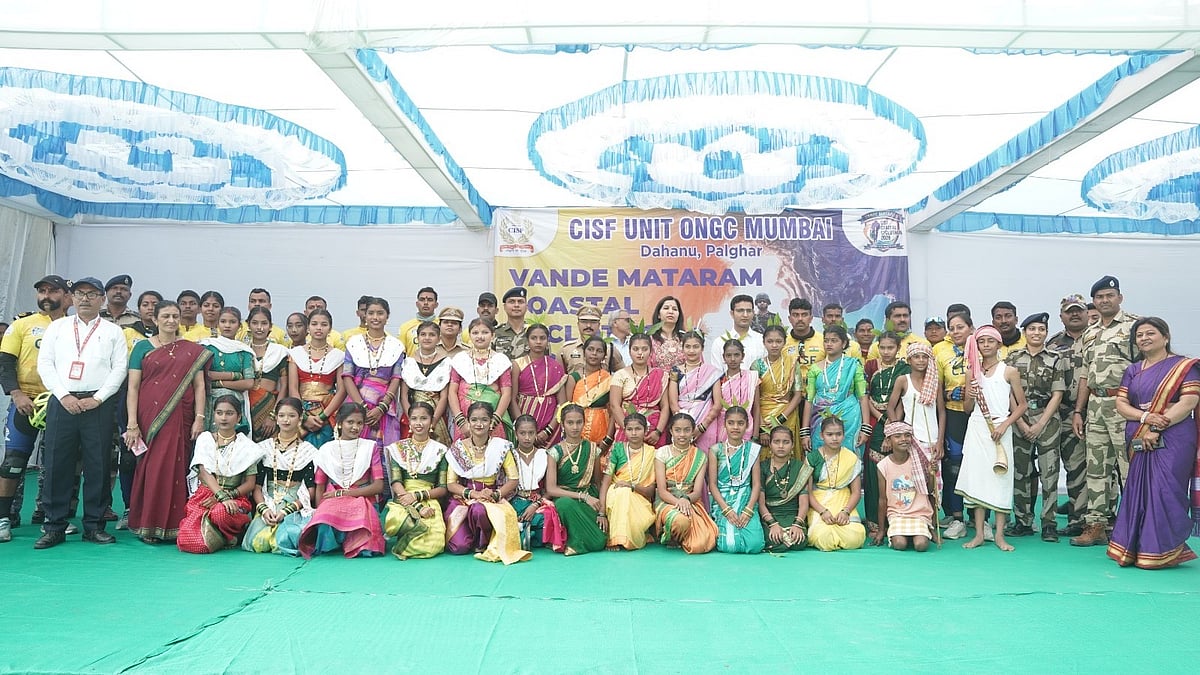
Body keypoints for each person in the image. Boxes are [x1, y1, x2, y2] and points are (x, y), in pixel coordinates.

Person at [34, 277, 128, 549]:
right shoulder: (57, 328)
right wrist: (63, 395)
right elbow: (46, 364)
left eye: (91, 294)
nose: (84, 299)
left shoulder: (112, 331)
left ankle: (94, 526)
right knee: (56, 464)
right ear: (71, 298)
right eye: (79, 294)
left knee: (98, 465)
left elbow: (119, 369)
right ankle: (54, 526)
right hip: (62, 402)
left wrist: (98, 399)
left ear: (101, 299)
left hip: (97, 404)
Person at [1108, 317, 1199, 569]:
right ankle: (1136, 549)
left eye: (1150, 333)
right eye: (1139, 335)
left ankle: (1164, 551)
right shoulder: (1133, 370)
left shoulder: (1183, 366)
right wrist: (1146, 418)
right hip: (1139, 435)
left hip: (1175, 436)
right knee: (1138, 491)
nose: (1144, 338)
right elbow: (1121, 405)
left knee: (1165, 490)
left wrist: (1157, 426)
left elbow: (1188, 403)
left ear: (1165, 337)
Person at [124, 301, 210, 544]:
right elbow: (133, 387)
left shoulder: (191, 350)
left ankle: (175, 524)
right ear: (155, 319)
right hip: (149, 416)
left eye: (175, 316)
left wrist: (199, 418)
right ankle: (149, 524)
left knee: (176, 467)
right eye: (166, 316)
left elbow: (199, 386)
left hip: (181, 416)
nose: (171, 320)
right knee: (151, 467)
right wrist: (132, 423)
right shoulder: (142, 347)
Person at [1071, 275, 1140, 547]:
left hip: (1124, 406)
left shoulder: (1135, 326)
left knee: (1128, 468)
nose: (1104, 300)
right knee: (1096, 469)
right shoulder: (1090, 331)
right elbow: (1085, 374)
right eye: (1099, 297)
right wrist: (1079, 410)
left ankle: (1133, 526)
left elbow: (1145, 366)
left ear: (1119, 298)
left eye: (1109, 296)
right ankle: (1096, 525)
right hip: (1096, 406)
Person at [0, 275, 68, 543]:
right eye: (42, 291)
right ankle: (4, 518)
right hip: (25, 402)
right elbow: (5, 363)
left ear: (67, 295)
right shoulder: (21, 325)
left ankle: (51, 519)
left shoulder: (74, 327)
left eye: (53, 290)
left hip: (60, 403)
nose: (46, 295)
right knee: (14, 463)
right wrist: (16, 394)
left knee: (55, 465)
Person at [957, 325, 1027, 552]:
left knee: (1000, 480)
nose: (986, 345)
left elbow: (1022, 405)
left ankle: (999, 535)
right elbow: (967, 408)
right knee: (978, 480)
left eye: (990, 341)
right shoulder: (971, 373)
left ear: (999, 344)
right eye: (981, 342)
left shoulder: (1009, 371)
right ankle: (978, 534)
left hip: (1000, 429)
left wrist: (1005, 425)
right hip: (977, 427)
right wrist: (969, 395)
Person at [1004, 312, 1068, 541]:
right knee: (1021, 473)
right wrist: (1019, 421)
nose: (1036, 333)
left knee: (1049, 474)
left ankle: (1049, 523)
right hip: (1019, 419)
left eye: (1041, 329)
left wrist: (1041, 423)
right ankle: (1023, 521)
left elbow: (1058, 393)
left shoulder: (1055, 358)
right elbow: (1008, 392)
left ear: (1046, 333)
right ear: (1025, 332)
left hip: (1047, 420)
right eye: (1032, 329)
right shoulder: (1012, 358)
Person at [443, 401, 530, 564]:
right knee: (458, 547)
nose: (479, 424)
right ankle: (474, 538)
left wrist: (495, 494)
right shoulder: (458, 448)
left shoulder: (501, 447)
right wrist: (473, 494)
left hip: (492, 498)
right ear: (468, 422)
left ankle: (484, 541)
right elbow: (451, 484)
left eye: (484, 420)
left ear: (491, 422)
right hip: (464, 498)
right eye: (474, 420)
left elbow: (513, 479)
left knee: (479, 510)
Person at [298, 403, 386, 558]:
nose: (355, 427)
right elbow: (320, 485)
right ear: (339, 423)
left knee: (366, 545)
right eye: (350, 422)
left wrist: (345, 493)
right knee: (325, 519)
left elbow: (378, 486)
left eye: (359, 423)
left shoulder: (370, 447)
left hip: (362, 497)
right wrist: (319, 511)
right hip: (333, 498)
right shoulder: (327, 449)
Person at [176, 395, 262, 553]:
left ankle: (233, 533)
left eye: (229, 413)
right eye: (219, 413)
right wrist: (219, 496)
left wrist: (225, 497)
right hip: (206, 494)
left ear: (239, 417)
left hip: (235, 497)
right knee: (187, 542)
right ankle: (227, 539)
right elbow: (203, 472)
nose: (224, 418)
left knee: (220, 513)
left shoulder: (248, 448)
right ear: (213, 415)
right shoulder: (205, 439)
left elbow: (250, 483)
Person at [242, 398, 318, 556]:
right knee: (257, 543)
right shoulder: (263, 449)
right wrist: (263, 509)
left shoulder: (308, 451)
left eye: (291, 415)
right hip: (268, 500)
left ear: (300, 418)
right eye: (282, 415)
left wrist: (287, 510)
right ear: (276, 418)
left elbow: (310, 490)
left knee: (285, 541)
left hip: (295, 503)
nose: (286, 420)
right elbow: (256, 487)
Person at [1047, 294, 1090, 537]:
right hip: (1059, 412)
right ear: (1061, 316)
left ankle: (1083, 519)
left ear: (1086, 313)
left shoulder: (1096, 339)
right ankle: (1073, 519)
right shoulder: (1052, 344)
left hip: (1090, 411)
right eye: (1069, 311)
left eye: (1079, 311)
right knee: (1068, 465)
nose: (1074, 314)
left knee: (1085, 468)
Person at [382, 401, 448, 560]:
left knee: (435, 544)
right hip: (403, 497)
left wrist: (418, 497)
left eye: (424, 418)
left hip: (429, 497)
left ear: (431, 421)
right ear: (409, 421)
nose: (419, 423)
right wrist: (415, 504)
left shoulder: (440, 450)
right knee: (396, 519)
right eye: (414, 418)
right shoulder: (398, 449)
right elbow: (396, 482)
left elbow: (443, 488)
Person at [544, 404, 608, 555]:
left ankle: (578, 541)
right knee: (565, 505)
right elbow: (551, 489)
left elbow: (598, 483)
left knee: (600, 540)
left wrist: (602, 512)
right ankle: (576, 544)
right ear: (563, 425)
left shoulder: (593, 449)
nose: (575, 427)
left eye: (579, 422)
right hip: (566, 498)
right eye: (570, 423)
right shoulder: (554, 452)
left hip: (589, 498)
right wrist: (582, 496)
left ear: (584, 423)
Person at [342, 297, 404, 449]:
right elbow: (347, 377)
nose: (375, 317)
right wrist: (362, 407)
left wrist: (381, 408)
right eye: (371, 313)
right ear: (365, 315)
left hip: (383, 407)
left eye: (380, 313)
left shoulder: (396, 346)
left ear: (387, 316)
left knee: (382, 451)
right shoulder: (354, 343)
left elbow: (396, 379)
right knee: (352, 450)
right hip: (355, 405)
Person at [801, 325, 869, 460]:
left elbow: (863, 397)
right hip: (820, 419)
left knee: (849, 460)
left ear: (843, 343)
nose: (829, 344)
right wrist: (805, 433)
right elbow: (809, 400)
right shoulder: (814, 368)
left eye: (834, 340)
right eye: (826, 340)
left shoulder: (854, 365)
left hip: (850, 418)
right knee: (822, 460)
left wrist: (865, 428)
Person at [863, 332, 910, 529]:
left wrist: (892, 426)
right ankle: (875, 521)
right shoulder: (871, 366)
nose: (886, 351)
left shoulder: (904, 369)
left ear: (898, 348)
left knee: (896, 472)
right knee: (874, 471)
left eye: (890, 348)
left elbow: (901, 400)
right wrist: (881, 419)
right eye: (882, 347)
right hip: (875, 420)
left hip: (898, 419)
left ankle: (898, 518)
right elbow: (866, 396)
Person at [654, 413, 717, 554]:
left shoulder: (700, 456)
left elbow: (697, 491)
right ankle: (671, 536)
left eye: (687, 430)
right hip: (667, 500)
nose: (682, 434)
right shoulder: (662, 453)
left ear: (693, 431)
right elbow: (662, 491)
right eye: (677, 430)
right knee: (680, 521)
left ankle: (683, 536)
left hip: (691, 502)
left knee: (701, 544)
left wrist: (686, 500)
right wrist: (679, 502)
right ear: (671, 431)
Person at [936, 312, 973, 538]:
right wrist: (951, 393)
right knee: (954, 468)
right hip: (953, 415)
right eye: (952, 328)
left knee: (980, 466)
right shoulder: (942, 353)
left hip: (979, 417)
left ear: (971, 327)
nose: (956, 331)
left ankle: (981, 519)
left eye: (961, 327)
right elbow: (937, 389)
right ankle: (957, 518)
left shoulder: (982, 349)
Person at [872, 421, 936, 552]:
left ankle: (923, 532)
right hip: (897, 514)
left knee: (921, 545)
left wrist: (931, 475)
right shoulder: (883, 465)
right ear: (889, 440)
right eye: (898, 436)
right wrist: (880, 531)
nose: (903, 439)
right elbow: (882, 500)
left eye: (907, 435)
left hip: (919, 513)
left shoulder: (920, 461)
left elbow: (929, 492)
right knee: (899, 544)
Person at [708, 406, 765, 553]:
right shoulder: (715, 450)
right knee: (729, 545)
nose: (735, 427)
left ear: (747, 425)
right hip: (723, 501)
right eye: (731, 423)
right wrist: (726, 510)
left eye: (740, 423)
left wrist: (748, 510)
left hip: (746, 499)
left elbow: (757, 484)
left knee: (756, 545)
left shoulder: (753, 450)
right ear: (724, 424)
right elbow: (712, 485)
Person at [806, 416, 867, 551]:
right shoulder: (812, 458)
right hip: (819, 502)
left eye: (838, 434)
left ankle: (838, 534)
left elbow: (856, 492)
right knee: (822, 537)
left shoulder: (851, 458)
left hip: (844, 500)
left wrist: (846, 511)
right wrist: (822, 511)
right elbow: (807, 492)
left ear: (844, 435)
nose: (834, 438)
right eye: (830, 434)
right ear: (822, 436)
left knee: (856, 537)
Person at [287, 308, 345, 447]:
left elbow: (342, 391)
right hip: (301, 412)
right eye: (314, 324)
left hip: (327, 413)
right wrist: (305, 417)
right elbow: (293, 388)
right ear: (308, 327)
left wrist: (323, 416)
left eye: (324, 324)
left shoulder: (339, 356)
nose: (319, 328)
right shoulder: (296, 354)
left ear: (330, 328)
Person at [599, 413, 657, 550]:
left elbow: (650, 491)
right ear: (624, 431)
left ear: (645, 430)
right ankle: (617, 539)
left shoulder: (652, 453)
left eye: (638, 429)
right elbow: (606, 482)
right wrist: (601, 512)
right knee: (622, 493)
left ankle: (623, 537)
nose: (634, 433)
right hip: (616, 493)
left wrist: (632, 486)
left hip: (640, 496)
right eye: (630, 429)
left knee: (626, 492)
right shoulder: (618, 449)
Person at [449, 319, 513, 441]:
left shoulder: (501, 360)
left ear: (493, 335)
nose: (480, 336)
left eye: (485, 332)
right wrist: (460, 421)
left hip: (493, 420)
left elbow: (506, 393)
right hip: (465, 420)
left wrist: (494, 420)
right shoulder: (460, 359)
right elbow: (452, 391)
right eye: (475, 333)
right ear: (469, 335)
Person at [509, 415, 563, 550]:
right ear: (516, 434)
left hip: (537, 501)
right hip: (513, 501)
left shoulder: (545, 455)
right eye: (522, 433)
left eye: (531, 433)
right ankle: (526, 532)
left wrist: (535, 505)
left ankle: (526, 533)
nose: (527, 437)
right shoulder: (509, 455)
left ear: (536, 433)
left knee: (548, 516)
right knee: (507, 516)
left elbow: (550, 488)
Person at [201, 307, 255, 436]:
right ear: (217, 324)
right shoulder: (207, 347)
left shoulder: (244, 351)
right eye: (223, 321)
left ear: (239, 326)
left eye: (232, 322)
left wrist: (218, 382)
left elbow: (248, 383)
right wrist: (234, 376)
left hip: (235, 404)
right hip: (210, 403)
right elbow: (204, 375)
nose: (227, 325)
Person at [511, 324, 568, 446]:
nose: (538, 342)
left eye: (542, 338)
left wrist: (548, 430)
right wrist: (522, 427)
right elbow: (512, 399)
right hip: (523, 422)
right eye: (534, 338)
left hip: (551, 426)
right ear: (527, 341)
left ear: (547, 341)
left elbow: (562, 403)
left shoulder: (555, 366)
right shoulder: (518, 364)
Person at [609, 333, 669, 446]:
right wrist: (630, 431)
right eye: (635, 349)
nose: (640, 353)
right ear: (629, 351)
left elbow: (665, 406)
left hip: (653, 430)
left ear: (651, 351)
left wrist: (658, 431)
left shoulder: (660, 375)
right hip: (627, 427)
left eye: (644, 349)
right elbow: (614, 405)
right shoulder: (620, 375)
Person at [758, 426, 811, 552]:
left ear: (792, 445)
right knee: (771, 538)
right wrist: (772, 524)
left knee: (800, 540)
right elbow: (760, 503)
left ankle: (787, 537)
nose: (781, 446)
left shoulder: (800, 468)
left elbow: (804, 502)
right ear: (770, 444)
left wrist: (797, 524)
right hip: (770, 516)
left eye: (786, 442)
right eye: (776, 442)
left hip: (792, 516)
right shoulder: (762, 468)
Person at [667, 331, 722, 451]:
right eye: (688, 346)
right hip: (681, 423)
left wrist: (702, 427)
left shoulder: (712, 372)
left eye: (696, 346)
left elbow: (718, 404)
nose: (691, 351)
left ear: (702, 348)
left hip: (706, 422)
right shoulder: (676, 371)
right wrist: (684, 426)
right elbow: (673, 403)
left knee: (705, 458)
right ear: (682, 348)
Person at [400, 321, 452, 446]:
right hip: (411, 417)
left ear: (439, 338)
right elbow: (403, 396)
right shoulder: (408, 362)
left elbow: (444, 396)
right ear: (417, 338)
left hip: (437, 417)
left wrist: (433, 421)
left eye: (432, 335)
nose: (427, 338)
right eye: (423, 334)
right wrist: (412, 419)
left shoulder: (446, 363)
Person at [753, 325, 803, 448]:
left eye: (778, 341)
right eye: (770, 341)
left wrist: (781, 419)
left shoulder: (792, 364)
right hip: (764, 418)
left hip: (787, 416)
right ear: (764, 342)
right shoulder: (757, 366)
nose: (774, 345)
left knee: (787, 451)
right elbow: (755, 401)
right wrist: (762, 427)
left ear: (785, 342)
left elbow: (798, 396)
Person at [245, 307, 290, 442]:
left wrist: (273, 415)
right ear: (248, 325)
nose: (259, 328)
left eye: (264, 323)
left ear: (271, 326)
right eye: (255, 323)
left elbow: (284, 386)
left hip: (270, 406)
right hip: (245, 406)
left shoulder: (280, 352)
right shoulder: (242, 350)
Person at [565, 336, 615, 450]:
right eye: (590, 349)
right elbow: (567, 409)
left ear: (604, 355)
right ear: (584, 352)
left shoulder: (609, 379)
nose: (594, 354)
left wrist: (608, 439)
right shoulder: (574, 378)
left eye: (599, 351)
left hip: (603, 434)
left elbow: (614, 412)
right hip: (577, 433)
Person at [711, 339, 761, 445]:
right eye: (728, 355)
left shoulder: (752, 377)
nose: (732, 359)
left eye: (736, 355)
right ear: (723, 357)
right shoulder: (717, 380)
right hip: (723, 427)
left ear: (742, 356)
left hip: (747, 427)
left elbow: (756, 407)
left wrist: (756, 434)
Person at [560, 305, 624, 375]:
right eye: (584, 321)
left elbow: (623, 376)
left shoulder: (610, 350)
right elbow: (560, 379)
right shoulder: (566, 349)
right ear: (578, 324)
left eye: (593, 322)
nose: (588, 326)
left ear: (599, 325)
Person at [708, 294, 766, 368]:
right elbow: (717, 375)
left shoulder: (762, 341)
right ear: (732, 314)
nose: (745, 315)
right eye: (740, 311)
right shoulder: (719, 343)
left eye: (748, 311)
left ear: (753, 313)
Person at [784, 298, 825, 389]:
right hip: (790, 396)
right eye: (795, 315)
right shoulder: (783, 342)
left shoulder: (824, 341)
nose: (800, 319)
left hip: (818, 396)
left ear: (811, 318)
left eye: (804, 315)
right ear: (789, 319)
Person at [649, 295, 687, 371]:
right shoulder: (650, 340)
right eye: (666, 308)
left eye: (675, 309)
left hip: (685, 382)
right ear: (659, 315)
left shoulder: (686, 339)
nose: (670, 312)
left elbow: (697, 365)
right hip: (657, 381)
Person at [397, 287, 439, 355]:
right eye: (422, 300)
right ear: (417, 304)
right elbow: (400, 353)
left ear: (436, 305)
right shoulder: (405, 327)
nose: (426, 303)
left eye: (430, 300)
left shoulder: (442, 326)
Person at [492, 287, 529, 361]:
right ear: (505, 307)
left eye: (520, 302)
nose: (516, 305)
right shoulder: (494, 333)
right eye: (512, 302)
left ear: (526, 307)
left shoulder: (534, 332)